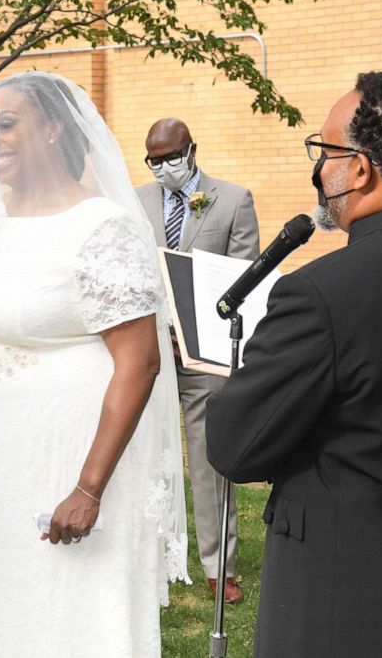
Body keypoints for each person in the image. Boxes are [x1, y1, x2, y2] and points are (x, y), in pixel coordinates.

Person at [206, 68, 382, 657]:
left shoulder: (319, 294)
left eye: (324, 150)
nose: (319, 167)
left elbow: (237, 449)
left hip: (352, 595)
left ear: (359, 168)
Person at [0, 71, 189, 657]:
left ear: (55, 127)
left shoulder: (102, 228)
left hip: (62, 457)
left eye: (7, 124)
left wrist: (88, 489)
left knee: (65, 607)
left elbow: (139, 363)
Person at [136, 118, 259, 604]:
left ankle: (219, 565)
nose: (163, 166)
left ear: (191, 150)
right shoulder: (133, 202)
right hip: (145, 351)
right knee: (139, 455)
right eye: (154, 159)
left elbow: (239, 280)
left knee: (210, 459)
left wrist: (188, 333)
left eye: (171, 156)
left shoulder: (233, 200)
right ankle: (144, 556)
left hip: (201, 354)